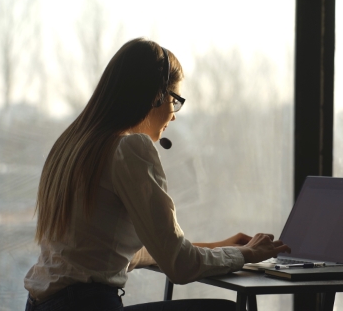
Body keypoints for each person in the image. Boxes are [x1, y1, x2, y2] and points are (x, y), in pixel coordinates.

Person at [24, 38, 290, 311]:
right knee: (224, 309)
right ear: (156, 96)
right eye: (174, 100)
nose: (173, 116)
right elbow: (180, 266)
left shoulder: (71, 145)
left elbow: (119, 253)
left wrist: (217, 248)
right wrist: (246, 254)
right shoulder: (128, 148)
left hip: (44, 306)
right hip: (86, 305)